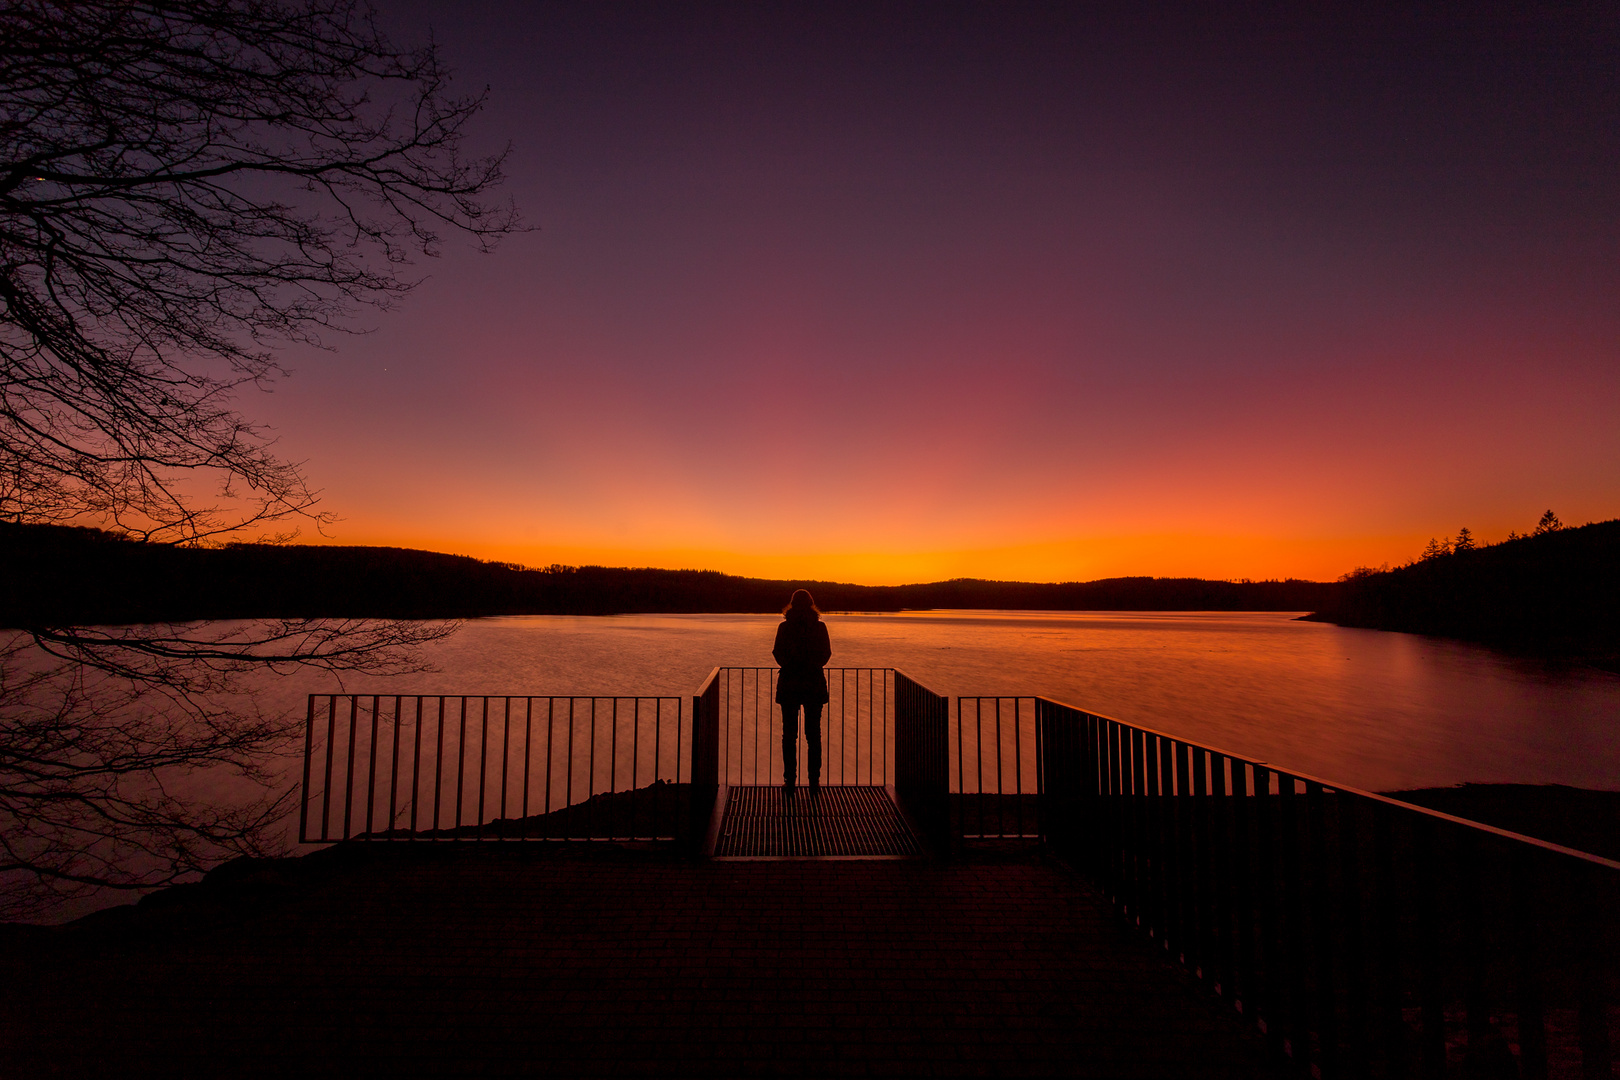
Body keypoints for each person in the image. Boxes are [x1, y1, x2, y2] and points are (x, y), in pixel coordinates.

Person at [773, 589, 831, 796]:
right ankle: (814, 782)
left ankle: (790, 782)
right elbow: (826, 653)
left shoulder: (784, 627)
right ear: (811, 605)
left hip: (789, 684)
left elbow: (777, 652)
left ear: (792, 605)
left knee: (789, 736)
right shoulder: (819, 627)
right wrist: (812, 666)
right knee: (813, 736)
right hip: (814, 685)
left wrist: (791, 665)